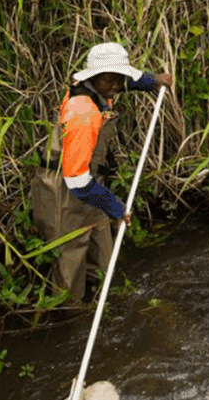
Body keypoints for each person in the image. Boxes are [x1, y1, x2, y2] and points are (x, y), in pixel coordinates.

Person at [31, 42, 173, 300]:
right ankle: (71, 317)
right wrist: (116, 207)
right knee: (71, 263)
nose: (116, 87)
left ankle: (106, 301)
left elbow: (124, 81)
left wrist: (153, 81)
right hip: (64, 190)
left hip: (89, 183)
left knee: (104, 258)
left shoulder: (100, 86)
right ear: (94, 77)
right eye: (110, 80)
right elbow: (76, 180)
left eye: (120, 79)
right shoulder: (83, 113)